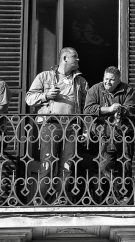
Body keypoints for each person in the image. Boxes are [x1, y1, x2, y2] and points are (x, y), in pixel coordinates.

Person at [25, 47, 89, 204]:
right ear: (65, 58)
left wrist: (86, 129)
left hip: (73, 126)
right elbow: (29, 98)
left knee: (68, 165)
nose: (78, 60)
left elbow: (87, 108)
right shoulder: (44, 76)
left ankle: (62, 199)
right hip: (51, 124)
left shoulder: (81, 81)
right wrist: (46, 95)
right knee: (48, 163)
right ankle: (42, 201)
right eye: (75, 57)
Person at [83, 66, 135, 204]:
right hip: (105, 133)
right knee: (105, 165)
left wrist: (121, 110)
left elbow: (132, 107)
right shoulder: (95, 89)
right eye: (106, 79)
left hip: (124, 134)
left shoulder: (127, 89)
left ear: (118, 80)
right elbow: (88, 109)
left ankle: (126, 197)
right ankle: (119, 195)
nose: (108, 82)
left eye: (112, 80)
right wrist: (108, 109)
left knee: (126, 165)